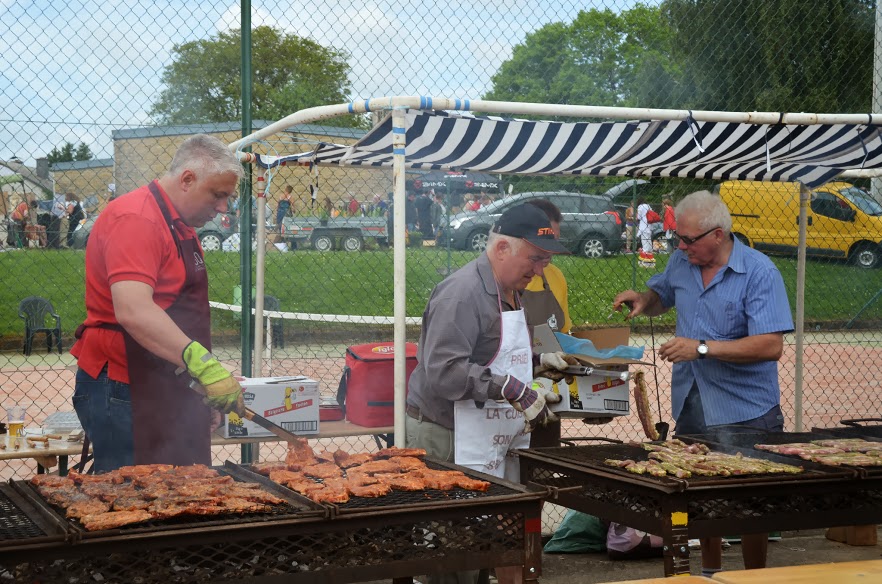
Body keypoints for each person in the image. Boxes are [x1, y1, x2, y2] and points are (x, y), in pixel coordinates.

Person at [613, 190, 793, 578]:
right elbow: (664, 293)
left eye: (689, 239)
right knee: (701, 498)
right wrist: (644, 301)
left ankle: (751, 577)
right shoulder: (682, 260)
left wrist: (703, 349)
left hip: (747, 410)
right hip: (692, 401)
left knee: (750, 506)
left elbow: (771, 345)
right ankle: (710, 574)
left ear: (717, 234)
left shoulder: (760, 272)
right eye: (679, 237)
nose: (680, 246)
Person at [406, 202, 575, 584]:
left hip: (485, 434)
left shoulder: (511, 289)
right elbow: (443, 373)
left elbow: (497, 350)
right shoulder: (462, 294)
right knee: (452, 557)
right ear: (502, 249)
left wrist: (536, 362)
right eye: (534, 259)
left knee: (485, 546)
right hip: (447, 433)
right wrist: (510, 387)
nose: (539, 271)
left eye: (545, 261)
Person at [70, 134, 246, 472]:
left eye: (228, 197)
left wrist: (196, 385)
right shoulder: (137, 219)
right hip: (124, 386)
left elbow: (176, 314)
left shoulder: (180, 224)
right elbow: (134, 310)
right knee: (131, 497)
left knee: (182, 490)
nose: (224, 208)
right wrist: (204, 366)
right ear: (187, 179)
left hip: (164, 378)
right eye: (218, 195)